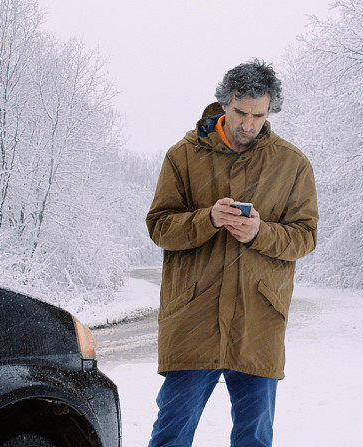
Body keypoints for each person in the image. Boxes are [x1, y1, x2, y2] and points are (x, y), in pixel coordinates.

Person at [145, 59, 318, 447]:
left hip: (259, 321)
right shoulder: (183, 156)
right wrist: (206, 219)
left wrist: (261, 232)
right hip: (193, 317)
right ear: (225, 103)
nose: (248, 124)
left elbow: (305, 236)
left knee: (254, 438)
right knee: (171, 433)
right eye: (241, 112)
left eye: (259, 115)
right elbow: (159, 226)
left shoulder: (291, 164)